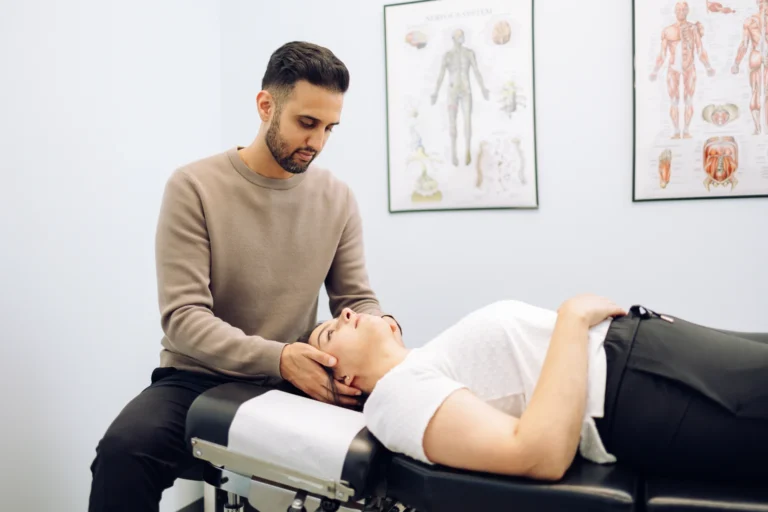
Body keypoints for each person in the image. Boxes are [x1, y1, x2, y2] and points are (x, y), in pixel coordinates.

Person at [88, 41, 400, 512]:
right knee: (121, 454)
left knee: (391, 446)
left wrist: (382, 328)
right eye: (306, 123)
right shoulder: (194, 187)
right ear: (265, 105)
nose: (316, 142)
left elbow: (356, 297)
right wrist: (278, 358)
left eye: (329, 128)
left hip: (298, 379)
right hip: (199, 377)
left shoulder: (337, 198)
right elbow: (184, 318)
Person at [303, 294, 768, 484]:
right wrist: (573, 316)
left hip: (648, 352)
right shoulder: (393, 398)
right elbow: (537, 454)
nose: (345, 313)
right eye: (329, 332)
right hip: (644, 386)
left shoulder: (425, 360)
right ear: (346, 381)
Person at [650, 1, 715, 139]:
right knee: (674, 100)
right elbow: (662, 54)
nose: (681, 12)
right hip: (673, 69)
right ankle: (675, 131)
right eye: (678, 9)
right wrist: (655, 70)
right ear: (674, 11)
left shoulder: (693, 29)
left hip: (689, 67)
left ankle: (686, 130)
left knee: (688, 100)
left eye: (684, 9)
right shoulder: (667, 30)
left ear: (687, 11)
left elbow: (700, 49)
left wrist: (708, 66)